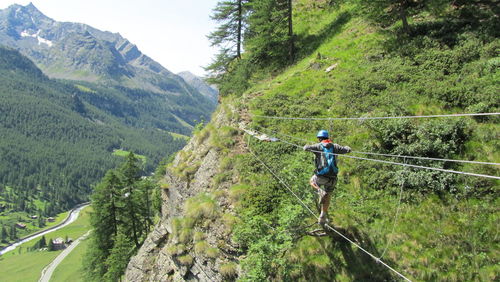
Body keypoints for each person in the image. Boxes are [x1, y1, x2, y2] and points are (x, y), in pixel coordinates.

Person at [303, 130, 351, 225]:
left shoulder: (318, 146)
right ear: (327, 138)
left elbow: (306, 148)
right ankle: (323, 214)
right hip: (333, 178)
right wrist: (347, 147)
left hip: (321, 176)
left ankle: (319, 190)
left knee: (312, 181)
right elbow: (348, 150)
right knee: (328, 195)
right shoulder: (335, 146)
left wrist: (307, 145)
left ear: (319, 138)